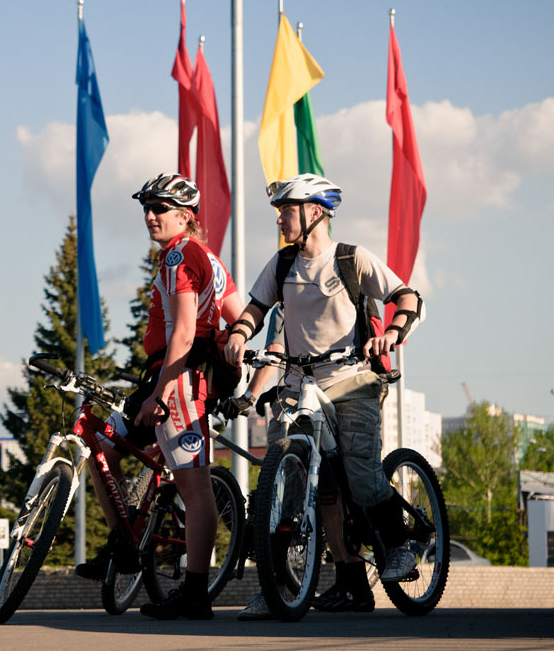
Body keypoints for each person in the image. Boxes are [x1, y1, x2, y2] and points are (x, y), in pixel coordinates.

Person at [223, 174, 423, 614]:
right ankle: (300, 587)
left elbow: (407, 296)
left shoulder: (351, 258)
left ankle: (399, 547)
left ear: (315, 212)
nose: (280, 219)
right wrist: (239, 333)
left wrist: (392, 333)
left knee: (362, 476)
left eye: (287, 210)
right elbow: (256, 307)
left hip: (351, 381)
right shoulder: (282, 264)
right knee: (297, 487)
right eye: (279, 211)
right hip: (299, 384)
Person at [75, 172, 245, 621]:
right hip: (165, 378)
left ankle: (195, 593)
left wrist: (164, 392)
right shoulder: (206, 257)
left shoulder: (179, 255)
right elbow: (238, 316)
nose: (150, 216)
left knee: (195, 489)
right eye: (146, 208)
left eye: (160, 208)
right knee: (103, 446)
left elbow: (185, 333)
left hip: (179, 383)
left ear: (185, 216)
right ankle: (124, 545)